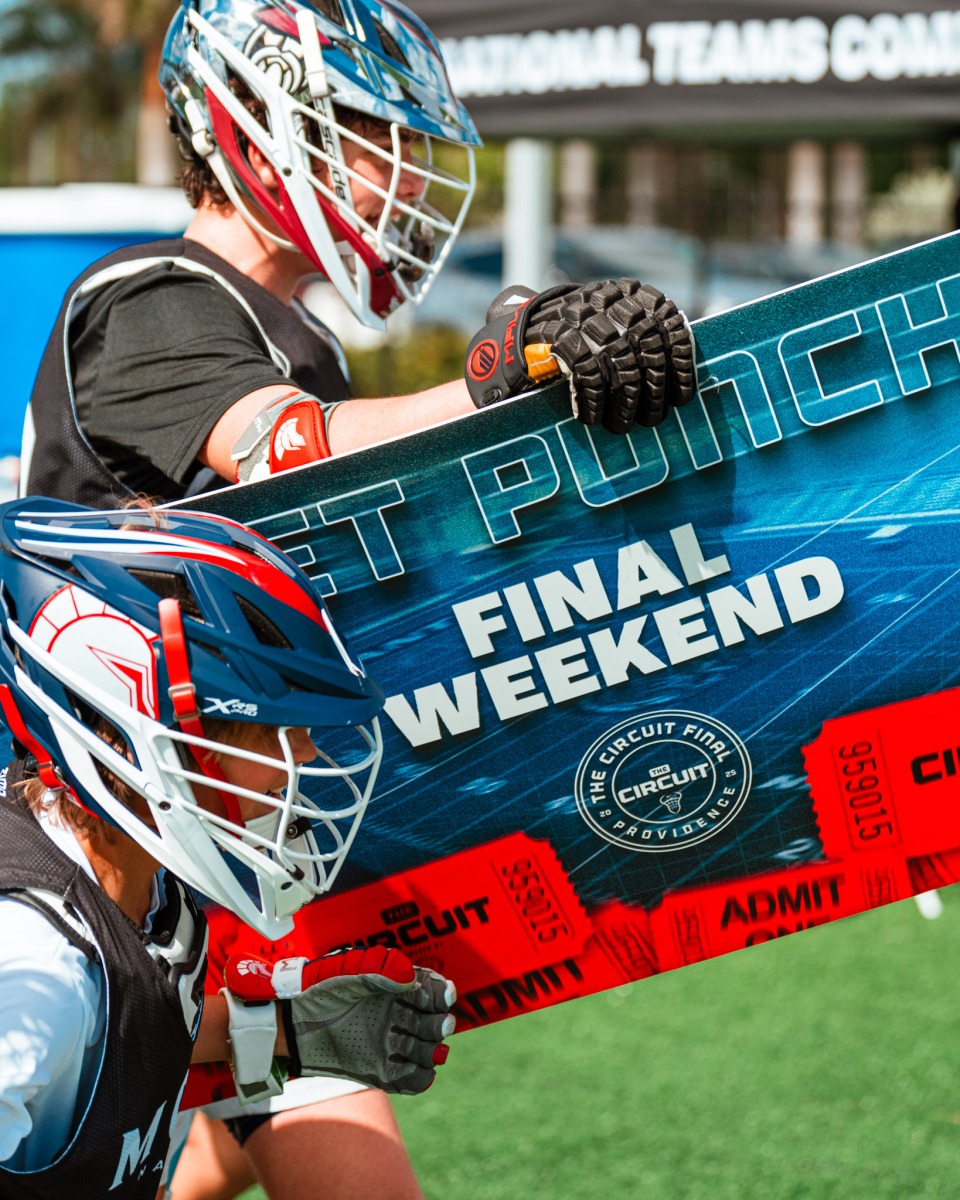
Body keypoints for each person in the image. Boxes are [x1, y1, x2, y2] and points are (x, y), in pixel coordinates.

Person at [19, 1, 697, 1194]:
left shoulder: (285, 335)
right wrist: (499, 376)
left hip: (218, 843)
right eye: (369, 131)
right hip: (110, 846)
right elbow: (290, 452)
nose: (398, 170)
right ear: (254, 126)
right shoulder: (152, 295)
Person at [0, 497, 455, 1198]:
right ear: (143, 737)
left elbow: (108, 1027)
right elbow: (64, 1015)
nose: (307, 755)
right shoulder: (36, 965)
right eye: (277, 728)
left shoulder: (140, 880)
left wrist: (274, 1028)